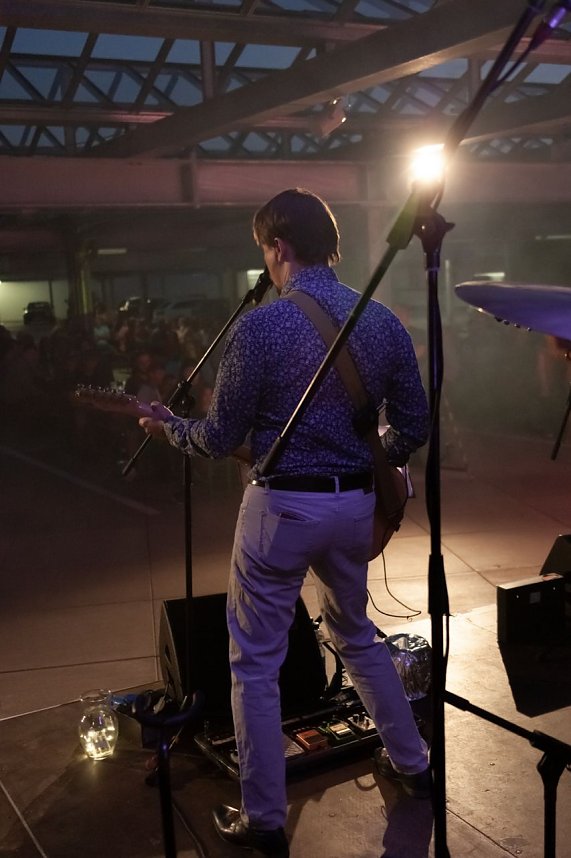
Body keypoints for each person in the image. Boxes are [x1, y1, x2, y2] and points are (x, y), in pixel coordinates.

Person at [139, 188, 431, 857]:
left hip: (281, 511)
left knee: (256, 665)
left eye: (264, 251)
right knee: (356, 634)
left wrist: (166, 431)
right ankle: (413, 767)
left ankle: (265, 818)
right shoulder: (379, 319)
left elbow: (218, 438)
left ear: (278, 246)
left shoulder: (260, 328)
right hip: (354, 506)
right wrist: (369, 463)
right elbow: (412, 422)